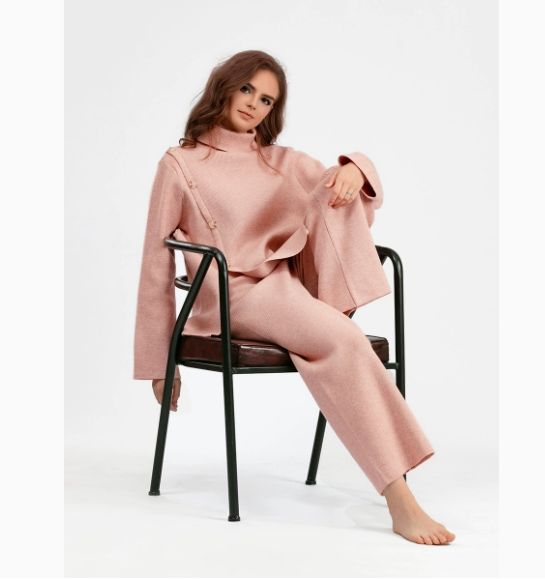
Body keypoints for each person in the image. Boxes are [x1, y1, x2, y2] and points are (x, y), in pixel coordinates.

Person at [133, 49, 456, 545]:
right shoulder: (180, 164)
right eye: (247, 89)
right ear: (224, 87)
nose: (254, 104)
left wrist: (355, 168)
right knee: (343, 341)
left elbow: (348, 193)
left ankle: (398, 490)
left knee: (334, 208)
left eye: (266, 100)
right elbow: (156, 263)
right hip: (233, 297)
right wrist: (159, 363)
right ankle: (401, 500)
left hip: (289, 290)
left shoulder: (280, 161)